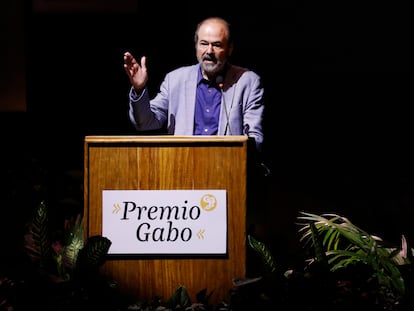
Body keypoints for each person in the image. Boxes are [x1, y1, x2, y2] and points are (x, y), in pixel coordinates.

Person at [123, 16, 266, 153]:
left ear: (229, 48)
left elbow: (255, 138)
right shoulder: (175, 80)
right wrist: (139, 89)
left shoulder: (248, 82)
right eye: (204, 44)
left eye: (217, 45)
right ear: (196, 46)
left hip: (226, 169)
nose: (209, 51)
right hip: (183, 166)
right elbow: (145, 123)